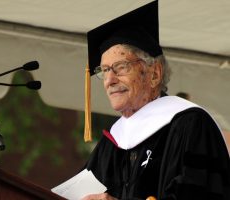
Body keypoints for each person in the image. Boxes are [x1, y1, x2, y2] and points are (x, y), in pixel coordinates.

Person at [80, 1, 230, 200]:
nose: (109, 80)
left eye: (121, 67)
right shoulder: (111, 144)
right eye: (105, 70)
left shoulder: (190, 126)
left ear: (154, 74)